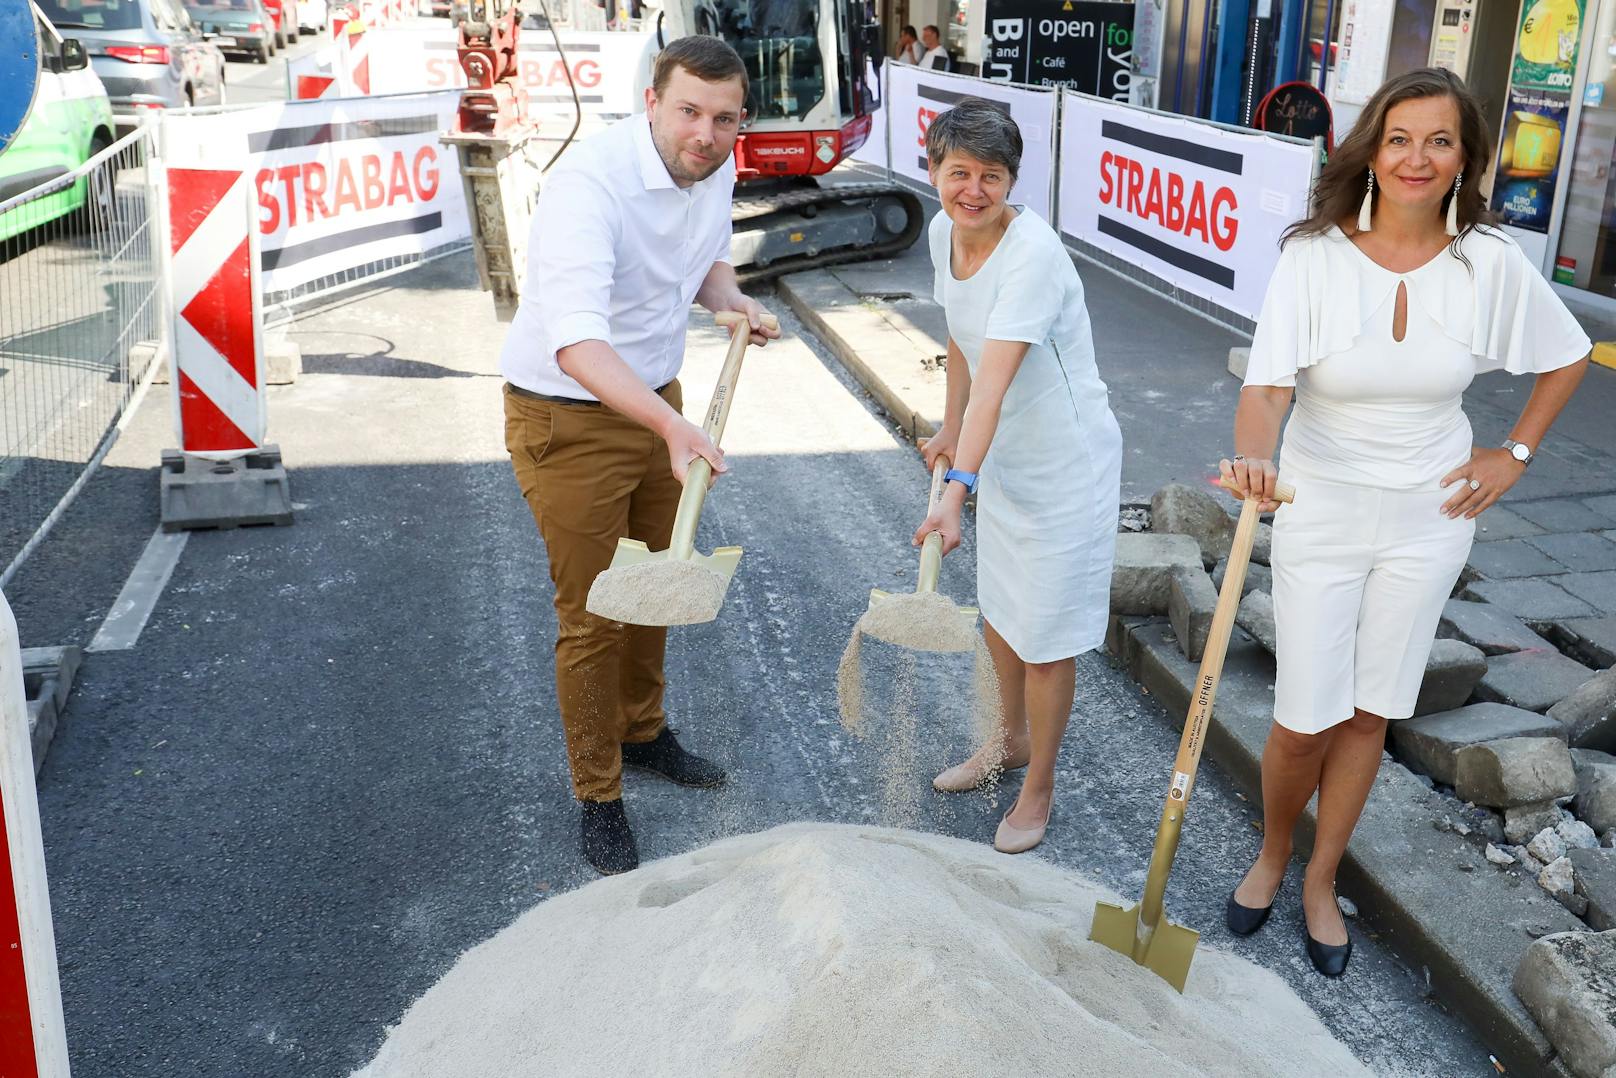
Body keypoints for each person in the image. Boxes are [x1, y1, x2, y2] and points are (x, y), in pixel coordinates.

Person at [1222, 67, 1590, 977]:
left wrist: (1516, 454)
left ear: (1464, 157)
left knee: (1369, 711)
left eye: (1439, 141)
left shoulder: (1490, 261)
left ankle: (1320, 878)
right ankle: (1271, 855)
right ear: (1372, 153)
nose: (1417, 158)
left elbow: (1569, 356)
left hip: (1430, 516)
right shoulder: (1313, 254)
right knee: (1305, 715)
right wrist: (1258, 456)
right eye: (1399, 139)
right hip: (1320, 503)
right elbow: (1266, 389)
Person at [500, 36, 779, 877]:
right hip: (568, 415)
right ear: (651, 102)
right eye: (689, 111)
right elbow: (575, 344)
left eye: (725, 118)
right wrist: (668, 428)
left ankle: (645, 732)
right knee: (592, 613)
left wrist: (731, 302)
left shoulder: (714, 165)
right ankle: (598, 793)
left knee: (658, 579)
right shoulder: (590, 186)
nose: (706, 132)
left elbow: (703, 265)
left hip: (658, 401)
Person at [914, 100, 1123, 855]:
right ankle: (1009, 742)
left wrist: (952, 495)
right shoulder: (945, 231)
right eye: (959, 172)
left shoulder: (1032, 254)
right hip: (999, 450)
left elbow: (997, 385)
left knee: (1045, 639)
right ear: (933, 169)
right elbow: (962, 339)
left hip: (1066, 464)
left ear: (1012, 182)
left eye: (991, 176)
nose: (973, 190)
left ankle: (1040, 789)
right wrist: (948, 424)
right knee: (1003, 617)